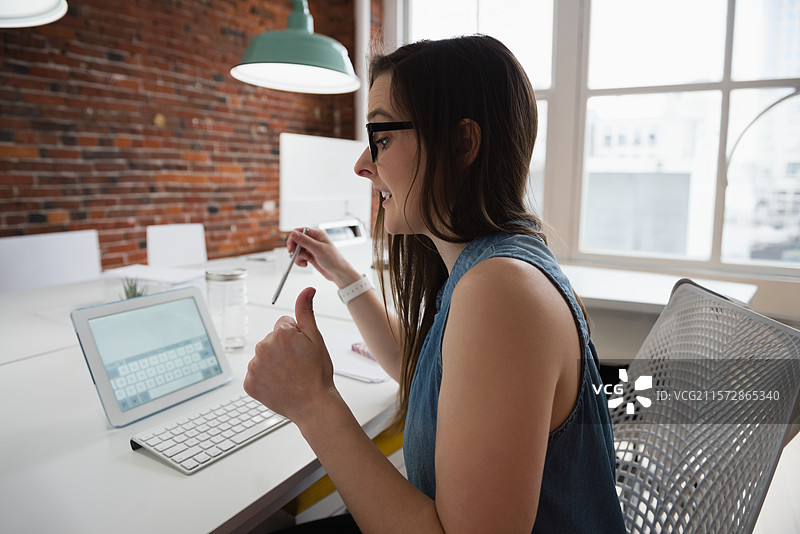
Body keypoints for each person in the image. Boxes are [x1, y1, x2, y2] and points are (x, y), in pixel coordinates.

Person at [244, 35, 627, 533]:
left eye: (381, 139)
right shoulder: (489, 268)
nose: (363, 165)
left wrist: (313, 403)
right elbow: (423, 371)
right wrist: (344, 274)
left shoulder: (501, 292)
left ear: (462, 143)